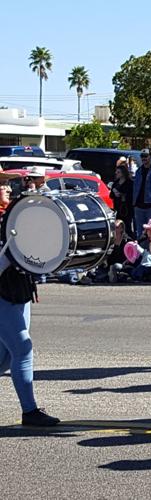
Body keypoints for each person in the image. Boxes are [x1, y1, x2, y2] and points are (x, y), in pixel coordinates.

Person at [0, 169, 60, 426]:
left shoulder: (11, 216)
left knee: (4, 357)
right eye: (2, 185)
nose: (8, 188)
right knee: (22, 348)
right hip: (3, 293)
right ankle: (30, 411)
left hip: (18, 289)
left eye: (6, 184)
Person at [109, 159, 135, 237]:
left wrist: (122, 194)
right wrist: (114, 191)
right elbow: (111, 196)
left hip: (126, 208)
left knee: (127, 226)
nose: (116, 174)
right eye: (116, 172)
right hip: (117, 207)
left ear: (123, 173)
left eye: (118, 172)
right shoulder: (115, 183)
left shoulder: (129, 183)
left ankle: (130, 241)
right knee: (118, 226)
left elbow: (131, 195)